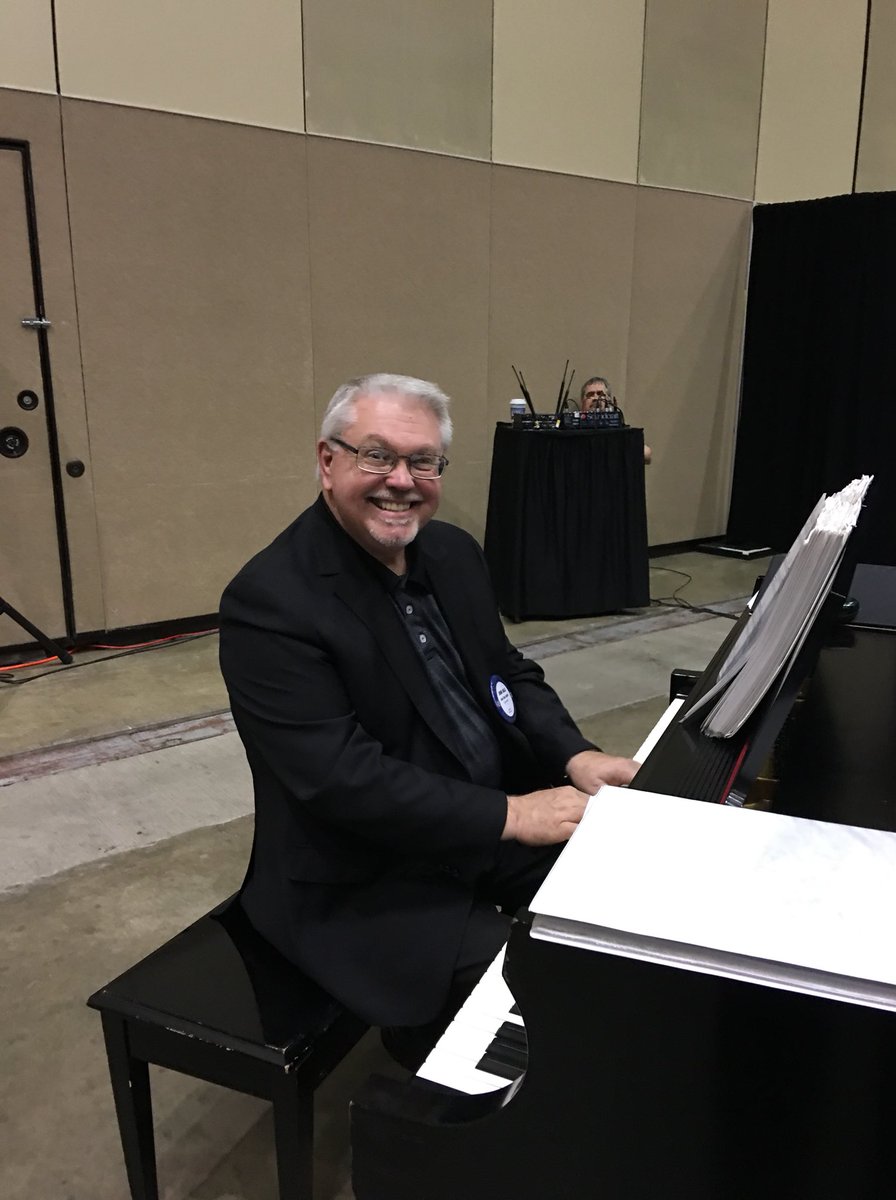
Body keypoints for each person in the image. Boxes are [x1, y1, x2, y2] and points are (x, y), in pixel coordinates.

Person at [219, 373, 637, 1067]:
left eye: (422, 462)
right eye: (376, 456)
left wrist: (574, 755)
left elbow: (508, 672)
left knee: (625, 912)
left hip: (481, 824)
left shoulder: (452, 552)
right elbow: (341, 781)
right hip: (367, 872)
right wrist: (512, 814)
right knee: (531, 1011)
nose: (401, 481)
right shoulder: (272, 603)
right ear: (328, 462)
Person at [580, 376, 652, 464]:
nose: (595, 398)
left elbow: (646, 454)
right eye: (590, 395)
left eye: (600, 394)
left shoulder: (618, 427)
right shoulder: (571, 429)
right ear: (582, 402)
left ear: (609, 401)